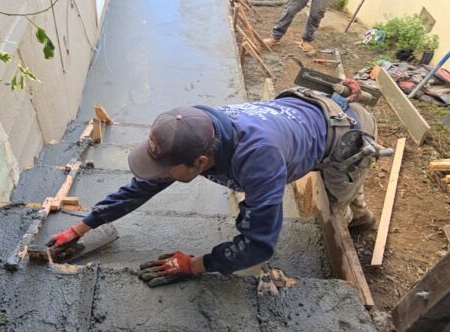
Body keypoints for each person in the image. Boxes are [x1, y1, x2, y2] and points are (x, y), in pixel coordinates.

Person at [47, 85, 380, 288]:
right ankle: (356, 201)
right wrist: (82, 227)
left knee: (337, 204)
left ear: (201, 162)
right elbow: (142, 187)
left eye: (167, 170)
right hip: (300, 117)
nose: (160, 176)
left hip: (345, 136)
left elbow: (259, 245)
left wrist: (194, 265)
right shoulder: (196, 129)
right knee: (330, 188)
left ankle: (360, 215)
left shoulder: (259, 162)